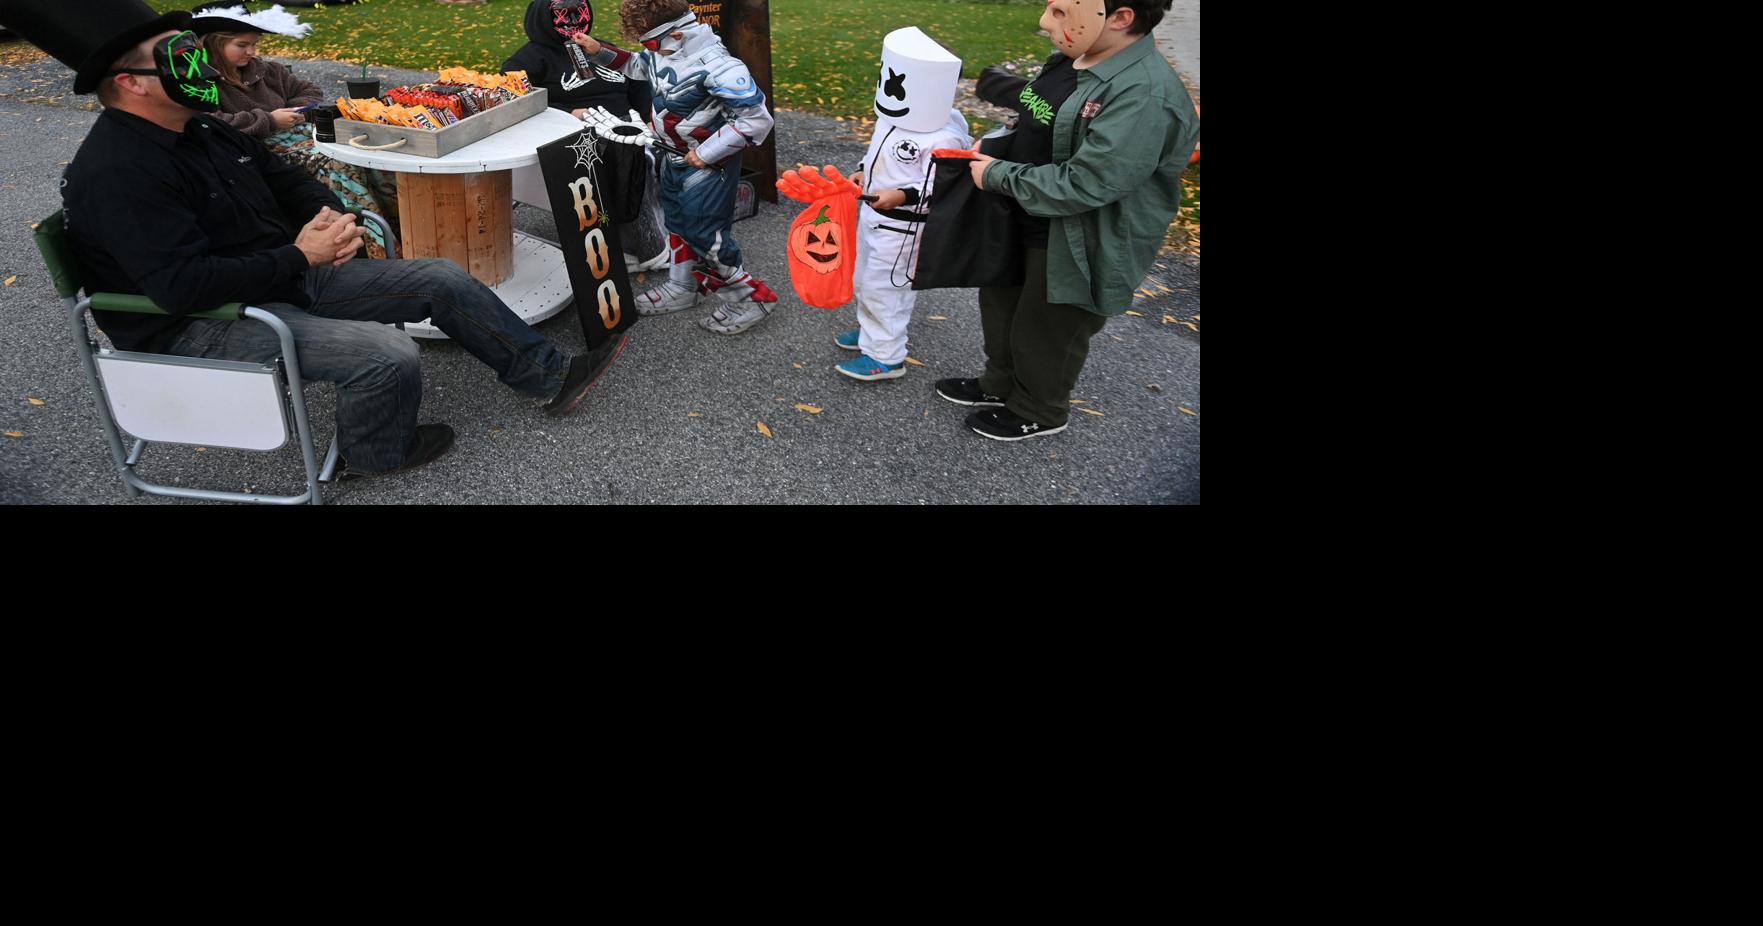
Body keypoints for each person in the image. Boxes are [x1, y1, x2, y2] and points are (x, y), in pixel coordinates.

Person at [2, 0, 626, 479]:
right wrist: (300, 254)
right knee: (387, 355)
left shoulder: (205, 129)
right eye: (176, 57)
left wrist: (329, 218)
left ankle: (546, 377)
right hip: (200, 320)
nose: (197, 64)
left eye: (192, 50)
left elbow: (286, 177)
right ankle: (378, 453)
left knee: (438, 276)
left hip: (275, 274)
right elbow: (178, 288)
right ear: (131, 83)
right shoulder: (116, 173)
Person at [940, 0, 1198, 440]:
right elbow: (1041, 122)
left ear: (1121, 17)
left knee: (1048, 326)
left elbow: (1091, 182)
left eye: (1061, 12)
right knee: (1003, 305)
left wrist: (998, 174)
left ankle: (1039, 408)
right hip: (1024, 210)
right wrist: (1002, 145)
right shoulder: (1073, 59)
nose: (1045, 22)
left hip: (1080, 235)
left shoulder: (1143, 95)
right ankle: (999, 383)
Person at [570, 0, 778, 336]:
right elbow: (639, 66)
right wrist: (599, 51)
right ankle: (683, 285)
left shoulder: (721, 68)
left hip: (710, 167)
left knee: (706, 235)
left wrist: (708, 152)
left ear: (677, 34)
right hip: (673, 155)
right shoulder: (667, 52)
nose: (649, 50)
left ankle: (752, 297)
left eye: (652, 43)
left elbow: (756, 120)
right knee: (677, 224)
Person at [190, 3, 397, 259]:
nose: (252, 52)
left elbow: (311, 91)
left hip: (301, 136)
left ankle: (398, 226)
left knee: (363, 153)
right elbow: (209, 122)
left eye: (255, 44)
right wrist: (269, 120)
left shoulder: (267, 70)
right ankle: (370, 243)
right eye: (242, 46)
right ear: (211, 43)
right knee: (334, 163)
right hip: (254, 153)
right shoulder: (199, 83)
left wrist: (294, 111)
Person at [833, 27, 971, 382]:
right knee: (864, 279)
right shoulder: (893, 116)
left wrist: (903, 196)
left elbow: (943, 184)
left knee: (887, 289)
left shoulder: (944, 134)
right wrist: (863, 171)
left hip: (903, 227)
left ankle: (886, 355)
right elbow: (876, 154)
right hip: (872, 214)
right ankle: (871, 334)